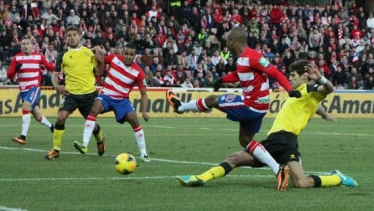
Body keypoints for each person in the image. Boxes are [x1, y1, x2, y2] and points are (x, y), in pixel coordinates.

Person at [175, 60, 358, 191]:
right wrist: (325, 115)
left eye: (293, 76)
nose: (290, 79)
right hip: (274, 141)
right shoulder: (299, 94)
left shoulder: (310, 90)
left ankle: (337, 177)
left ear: (305, 76)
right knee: (234, 158)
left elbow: (328, 90)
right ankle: (200, 179)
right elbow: (313, 107)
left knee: (301, 183)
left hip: (287, 141)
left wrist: (321, 79)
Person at [167, 26, 301, 190]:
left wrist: (289, 89)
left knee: (212, 100)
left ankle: (181, 107)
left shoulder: (254, 56)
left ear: (232, 41)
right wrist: (222, 80)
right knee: (245, 140)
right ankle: (278, 171)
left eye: (227, 41)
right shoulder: (242, 59)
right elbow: (238, 75)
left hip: (251, 104)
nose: (226, 44)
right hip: (257, 107)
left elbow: (274, 72)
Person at [73, 43, 151, 162]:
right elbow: (100, 57)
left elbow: (144, 94)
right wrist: (95, 49)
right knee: (94, 109)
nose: (128, 56)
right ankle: (84, 145)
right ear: (122, 53)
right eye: (126, 53)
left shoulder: (138, 72)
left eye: (131, 54)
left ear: (135, 56)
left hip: (122, 100)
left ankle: (144, 154)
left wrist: (144, 111)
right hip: (106, 96)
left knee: (134, 120)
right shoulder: (114, 58)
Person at [44, 25, 105, 160]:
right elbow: (55, 74)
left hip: (89, 94)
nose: (72, 38)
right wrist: (57, 86)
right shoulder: (63, 55)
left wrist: (101, 61)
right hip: (70, 94)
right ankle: (56, 149)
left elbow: (99, 72)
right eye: (69, 35)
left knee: (92, 126)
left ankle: (100, 141)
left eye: (74, 35)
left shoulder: (89, 52)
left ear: (80, 36)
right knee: (61, 117)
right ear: (66, 38)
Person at [7, 36, 55, 144]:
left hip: (34, 88)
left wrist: (61, 69)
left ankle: (23, 137)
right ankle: (52, 127)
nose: (25, 46)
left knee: (26, 106)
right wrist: (16, 69)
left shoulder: (38, 57)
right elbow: (9, 74)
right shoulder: (17, 58)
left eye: (27, 43)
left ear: (32, 46)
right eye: (23, 44)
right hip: (23, 90)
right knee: (38, 116)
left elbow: (49, 66)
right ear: (21, 46)